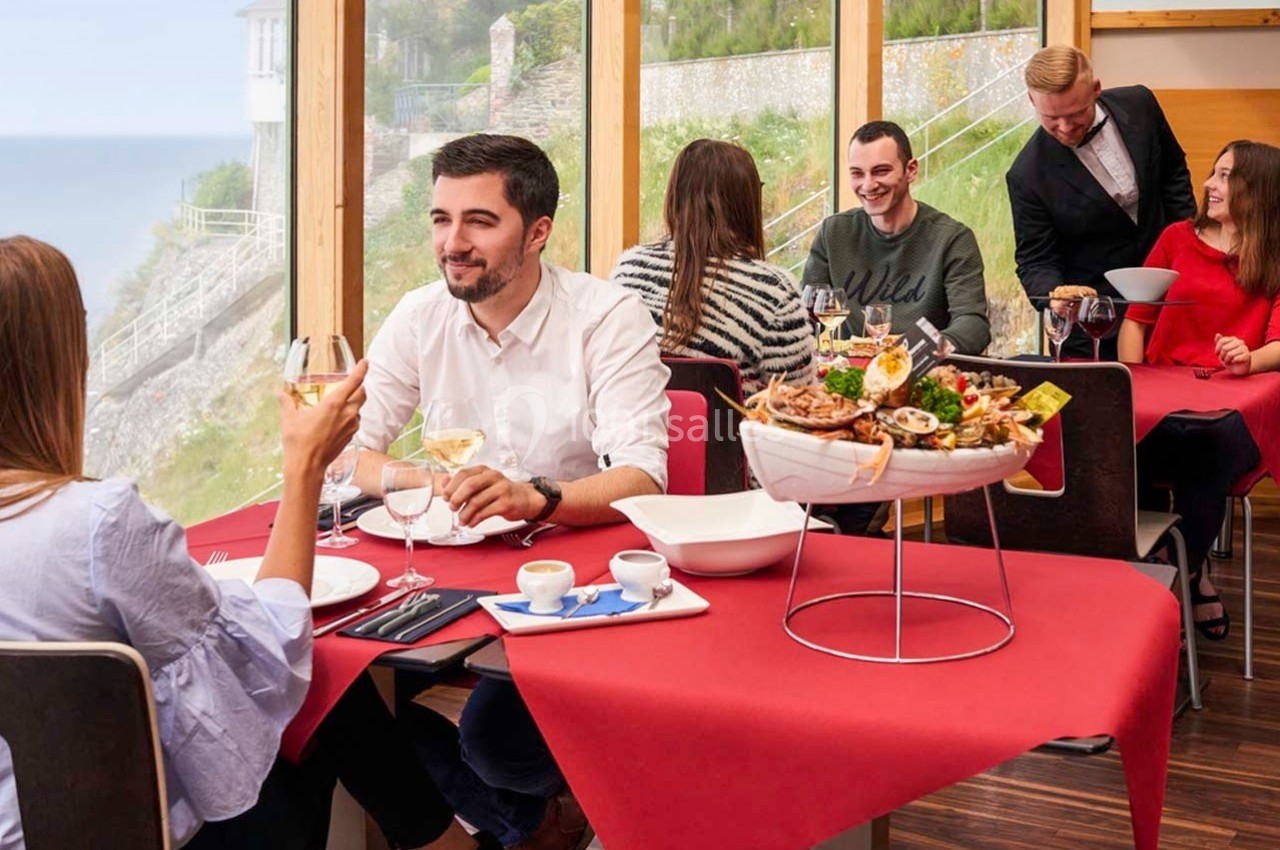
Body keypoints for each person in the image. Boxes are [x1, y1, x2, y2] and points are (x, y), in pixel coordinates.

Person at [0, 236, 500, 850]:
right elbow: (270, 653)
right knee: (321, 692)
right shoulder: (98, 523)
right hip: (126, 833)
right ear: (60, 362)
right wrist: (304, 467)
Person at [355, 134, 670, 850]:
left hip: (569, 588)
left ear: (537, 232)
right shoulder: (419, 316)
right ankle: (535, 827)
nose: (452, 244)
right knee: (349, 714)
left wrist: (537, 498)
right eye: (441, 219)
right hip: (449, 574)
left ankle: (563, 807)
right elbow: (352, 454)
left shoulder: (605, 316)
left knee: (495, 745)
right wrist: (430, 482)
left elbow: (643, 475)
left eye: (479, 221)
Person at [1117, 140, 1280, 639]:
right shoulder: (1176, 238)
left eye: (1225, 176)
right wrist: (1131, 385)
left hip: (1232, 410)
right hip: (1164, 404)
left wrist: (1248, 358)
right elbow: (1136, 319)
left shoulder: (1276, 254)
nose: (1209, 184)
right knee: (1124, 433)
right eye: (1214, 172)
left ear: (1258, 189)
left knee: (1209, 441)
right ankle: (1187, 571)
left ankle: (1175, 569)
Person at [1007, 45, 1197, 359]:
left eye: (1075, 114)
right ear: (1031, 101)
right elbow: (1035, 261)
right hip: (1095, 325)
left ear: (1096, 89)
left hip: (1171, 303)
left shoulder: (1141, 104)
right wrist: (1055, 299)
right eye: (1051, 118)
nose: (1065, 128)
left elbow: (1173, 173)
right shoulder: (1027, 175)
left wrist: (1188, 248)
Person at [609, 138, 815, 396]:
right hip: (727, 423)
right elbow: (798, 399)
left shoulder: (627, 272)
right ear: (748, 203)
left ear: (674, 198)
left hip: (635, 421)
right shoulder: (774, 292)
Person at [801, 120, 991, 357]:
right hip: (845, 371)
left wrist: (912, 353)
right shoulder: (833, 233)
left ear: (910, 170)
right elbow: (803, 318)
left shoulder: (952, 239)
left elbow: (973, 325)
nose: (868, 185)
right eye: (857, 173)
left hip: (921, 369)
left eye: (881, 171)